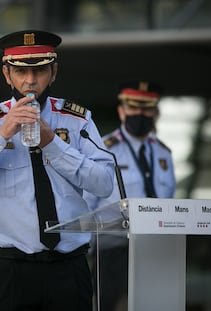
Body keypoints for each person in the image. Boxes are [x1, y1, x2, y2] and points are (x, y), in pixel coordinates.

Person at [0, 29, 115, 311]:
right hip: (9, 268)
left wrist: (52, 144)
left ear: (54, 72)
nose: (29, 80)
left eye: (39, 71)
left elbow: (104, 184)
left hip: (68, 266)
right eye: (20, 71)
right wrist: (0, 136)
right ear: (6, 74)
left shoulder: (78, 121)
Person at [85, 79, 176, 311]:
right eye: (133, 107)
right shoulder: (104, 149)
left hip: (154, 249)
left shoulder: (163, 153)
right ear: (121, 110)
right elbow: (86, 203)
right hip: (112, 247)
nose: (140, 114)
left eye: (146, 109)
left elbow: (170, 201)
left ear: (156, 112)